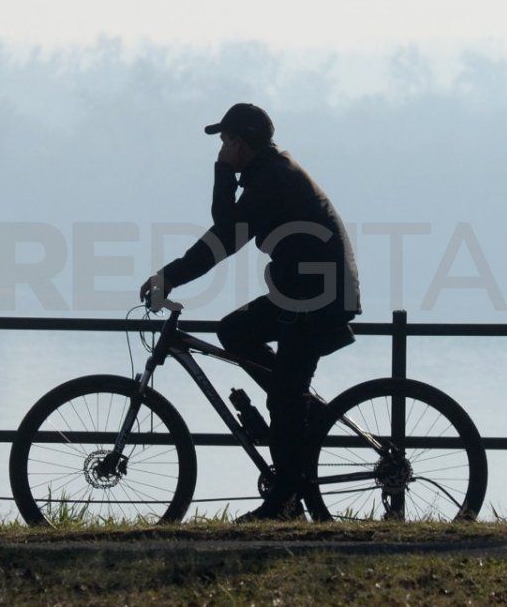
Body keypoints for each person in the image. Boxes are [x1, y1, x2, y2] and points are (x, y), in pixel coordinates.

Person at [139, 103, 362, 521]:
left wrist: (168, 277)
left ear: (240, 143)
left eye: (226, 142)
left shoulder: (273, 179)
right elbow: (227, 227)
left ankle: (284, 502)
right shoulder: (267, 174)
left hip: (315, 296)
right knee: (236, 331)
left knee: (281, 398)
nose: (222, 150)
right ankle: (299, 409)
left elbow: (225, 236)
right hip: (303, 290)